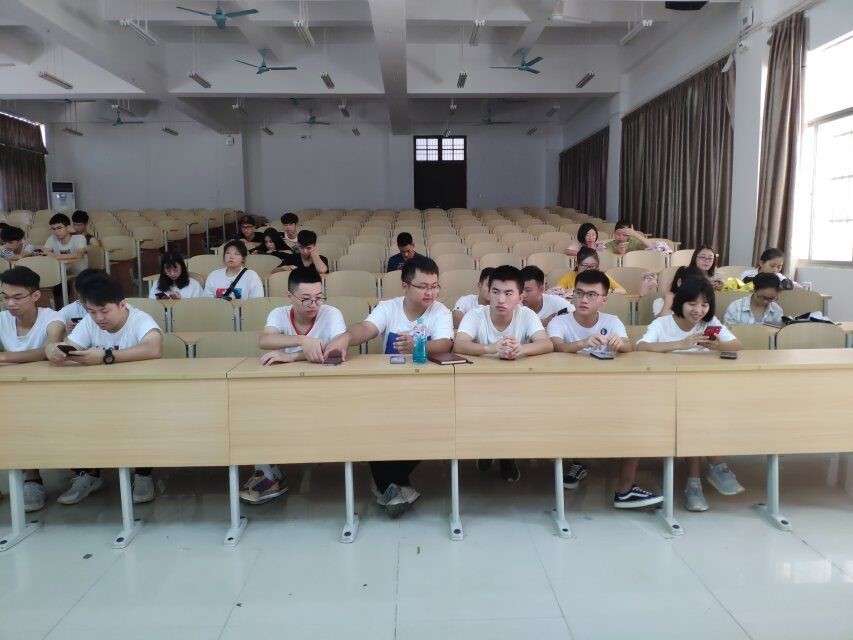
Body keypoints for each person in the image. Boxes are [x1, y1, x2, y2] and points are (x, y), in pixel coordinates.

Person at [323, 256, 453, 518]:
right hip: (389, 388)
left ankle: (385, 484)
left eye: (434, 286)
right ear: (405, 286)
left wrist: (418, 346)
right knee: (373, 427)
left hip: (428, 389)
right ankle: (395, 487)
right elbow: (367, 329)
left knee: (429, 429)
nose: (430, 293)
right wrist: (346, 337)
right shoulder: (389, 307)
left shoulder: (441, 311)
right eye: (423, 286)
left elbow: (445, 344)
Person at [45, 272, 164, 505]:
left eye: (104, 311)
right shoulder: (90, 322)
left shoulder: (140, 320)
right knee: (71, 414)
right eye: (92, 312)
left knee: (139, 418)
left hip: (139, 395)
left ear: (122, 305)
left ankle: (143, 474)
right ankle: (89, 474)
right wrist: (53, 349)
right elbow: (70, 346)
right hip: (97, 397)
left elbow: (153, 348)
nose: (98, 318)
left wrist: (106, 357)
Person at [547, 269, 663, 507]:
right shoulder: (560, 321)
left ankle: (625, 489)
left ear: (604, 299)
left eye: (592, 295)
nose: (584, 299)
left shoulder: (611, 321)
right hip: (568, 392)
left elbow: (629, 347)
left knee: (637, 418)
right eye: (579, 293)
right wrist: (582, 343)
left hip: (609, 390)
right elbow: (556, 346)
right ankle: (579, 462)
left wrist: (620, 344)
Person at [636, 276, 744, 512]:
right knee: (693, 416)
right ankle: (713, 467)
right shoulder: (663, 323)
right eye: (692, 304)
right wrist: (680, 344)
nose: (698, 310)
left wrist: (718, 346)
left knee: (699, 413)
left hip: (699, 393)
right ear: (681, 302)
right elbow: (641, 346)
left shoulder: (709, 323)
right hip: (663, 393)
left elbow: (737, 345)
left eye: (704, 305)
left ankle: (697, 481)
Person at [240, 268, 348, 504]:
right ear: (289, 296)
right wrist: (303, 341)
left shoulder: (331, 313)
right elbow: (265, 340)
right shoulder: (279, 314)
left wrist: (292, 356)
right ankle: (268, 474)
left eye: (319, 298)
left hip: (325, 389)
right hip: (284, 389)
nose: (314, 305)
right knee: (254, 405)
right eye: (306, 299)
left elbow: (337, 349)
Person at [454, 265, 554, 482]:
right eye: (496, 292)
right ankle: (485, 450)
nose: (501, 299)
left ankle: (507, 457)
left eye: (508, 293)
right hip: (480, 384)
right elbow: (459, 344)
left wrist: (522, 349)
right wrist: (490, 348)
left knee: (513, 411)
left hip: (517, 385)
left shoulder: (526, 315)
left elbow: (546, 344)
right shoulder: (475, 314)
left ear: (520, 297)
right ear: (488, 292)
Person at [0, 267, 66, 512]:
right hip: (14, 388)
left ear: (36, 296)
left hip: (49, 388)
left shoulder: (53, 319)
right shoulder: (2, 319)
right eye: (5, 297)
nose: (10, 303)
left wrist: (4, 357)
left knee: (22, 413)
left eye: (17, 297)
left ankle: (34, 478)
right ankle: (29, 477)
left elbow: (47, 350)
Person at [556, 247, 627, 294]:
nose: (588, 269)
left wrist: (606, 291)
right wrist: (575, 290)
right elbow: (556, 293)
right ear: (577, 264)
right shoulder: (568, 277)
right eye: (585, 265)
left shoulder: (602, 277)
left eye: (592, 266)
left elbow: (623, 291)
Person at [58, 269, 105, 334]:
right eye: (83, 300)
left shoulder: (115, 308)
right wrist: (65, 330)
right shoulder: (71, 309)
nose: (87, 305)